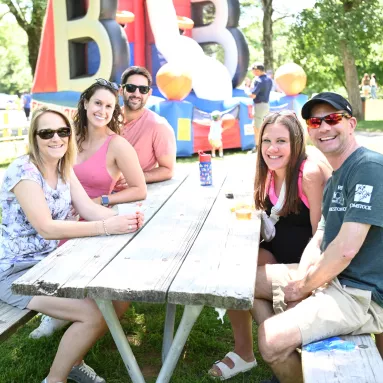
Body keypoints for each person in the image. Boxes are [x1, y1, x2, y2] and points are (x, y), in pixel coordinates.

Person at [0, 107, 144, 383]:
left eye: (63, 131)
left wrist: (124, 220)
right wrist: (105, 227)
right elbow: (47, 227)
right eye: (47, 133)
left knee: (119, 296)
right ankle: (55, 379)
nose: (57, 138)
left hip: (51, 264)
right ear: (34, 137)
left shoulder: (63, 167)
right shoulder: (24, 170)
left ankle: (73, 359)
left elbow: (88, 209)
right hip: (16, 273)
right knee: (92, 314)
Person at [252, 92, 383, 383]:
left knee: (270, 338)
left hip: (360, 294)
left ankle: (286, 353)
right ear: (309, 130)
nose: (324, 127)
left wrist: (303, 288)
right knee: (246, 284)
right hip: (332, 279)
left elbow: (345, 250)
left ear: (351, 124)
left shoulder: (369, 168)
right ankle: (292, 358)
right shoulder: (337, 176)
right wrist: (306, 280)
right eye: (315, 121)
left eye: (333, 119)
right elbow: (320, 237)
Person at [208, 110, 331, 380]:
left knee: (238, 281)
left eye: (281, 142)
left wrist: (307, 281)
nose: (272, 148)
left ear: (296, 142)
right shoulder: (270, 170)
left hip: (304, 267)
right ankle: (253, 348)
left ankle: (275, 339)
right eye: (266, 141)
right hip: (276, 255)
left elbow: (322, 236)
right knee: (230, 262)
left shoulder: (308, 173)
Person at [29, 78, 147, 340]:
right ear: (84, 103)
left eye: (109, 106)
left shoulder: (117, 145)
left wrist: (104, 201)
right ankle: (58, 310)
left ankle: (85, 313)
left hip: (94, 214)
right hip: (59, 215)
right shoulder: (65, 136)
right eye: (97, 103)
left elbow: (140, 189)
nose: (102, 111)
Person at [117, 66, 176, 186]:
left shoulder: (158, 126)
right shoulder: (107, 119)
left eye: (143, 89)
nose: (136, 94)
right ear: (121, 90)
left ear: (149, 93)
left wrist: (136, 178)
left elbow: (168, 170)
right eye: (131, 88)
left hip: (132, 195)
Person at [248, 63, 273, 154]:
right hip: (266, 105)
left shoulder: (258, 80)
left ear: (258, 70)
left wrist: (246, 89)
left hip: (259, 105)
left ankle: (258, 147)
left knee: (257, 128)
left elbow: (253, 95)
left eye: (254, 70)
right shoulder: (269, 80)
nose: (253, 72)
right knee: (265, 126)